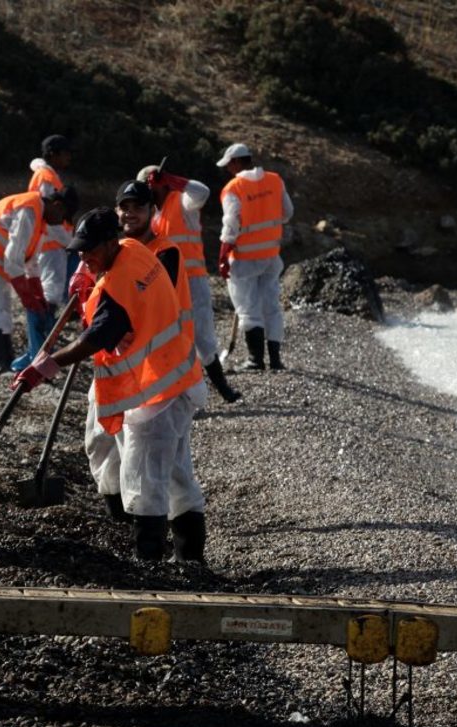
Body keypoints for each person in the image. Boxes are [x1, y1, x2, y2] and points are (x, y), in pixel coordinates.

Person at [17, 208, 208, 562]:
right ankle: (190, 560)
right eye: (78, 251)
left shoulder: (118, 284)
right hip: (179, 377)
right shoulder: (134, 250)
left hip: (156, 395)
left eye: (89, 250)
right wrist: (87, 277)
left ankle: (149, 562)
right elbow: (123, 308)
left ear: (109, 242)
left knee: (144, 482)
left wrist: (46, 365)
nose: (83, 256)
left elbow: (96, 336)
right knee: (178, 476)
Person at [137, 163, 241, 402]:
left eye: (148, 188)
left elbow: (202, 192)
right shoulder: (153, 215)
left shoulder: (182, 203)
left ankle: (223, 390)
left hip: (193, 282)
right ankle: (179, 392)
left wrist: (173, 178)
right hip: (165, 285)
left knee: (203, 337)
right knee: (170, 337)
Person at [0, 188, 77, 375]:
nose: (60, 223)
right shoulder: (29, 209)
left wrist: (38, 294)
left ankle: (7, 361)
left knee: (2, 311)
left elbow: (31, 262)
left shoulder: (40, 221)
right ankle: (1, 362)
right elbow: (13, 259)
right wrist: (27, 296)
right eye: (62, 217)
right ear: (57, 206)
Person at [215, 143, 294, 371]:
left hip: (245, 259)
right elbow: (287, 213)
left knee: (248, 309)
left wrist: (222, 256)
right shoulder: (274, 180)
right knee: (271, 306)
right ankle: (276, 360)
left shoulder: (234, 188)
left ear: (237, 162)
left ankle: (255, 360)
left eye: (229, 165)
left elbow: (230, 226)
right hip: (271, 256)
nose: (228, 170)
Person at [27, 135, 74, 313]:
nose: (69, 157)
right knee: (50, 293)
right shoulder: (46, 177)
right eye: (65, 153)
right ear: (54, 155)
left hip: (48, 242)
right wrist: (68, 241)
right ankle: (43, 330)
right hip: (50, 243)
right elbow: (49, 214)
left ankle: (43, 328)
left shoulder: (46, 175)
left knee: (49, 290)